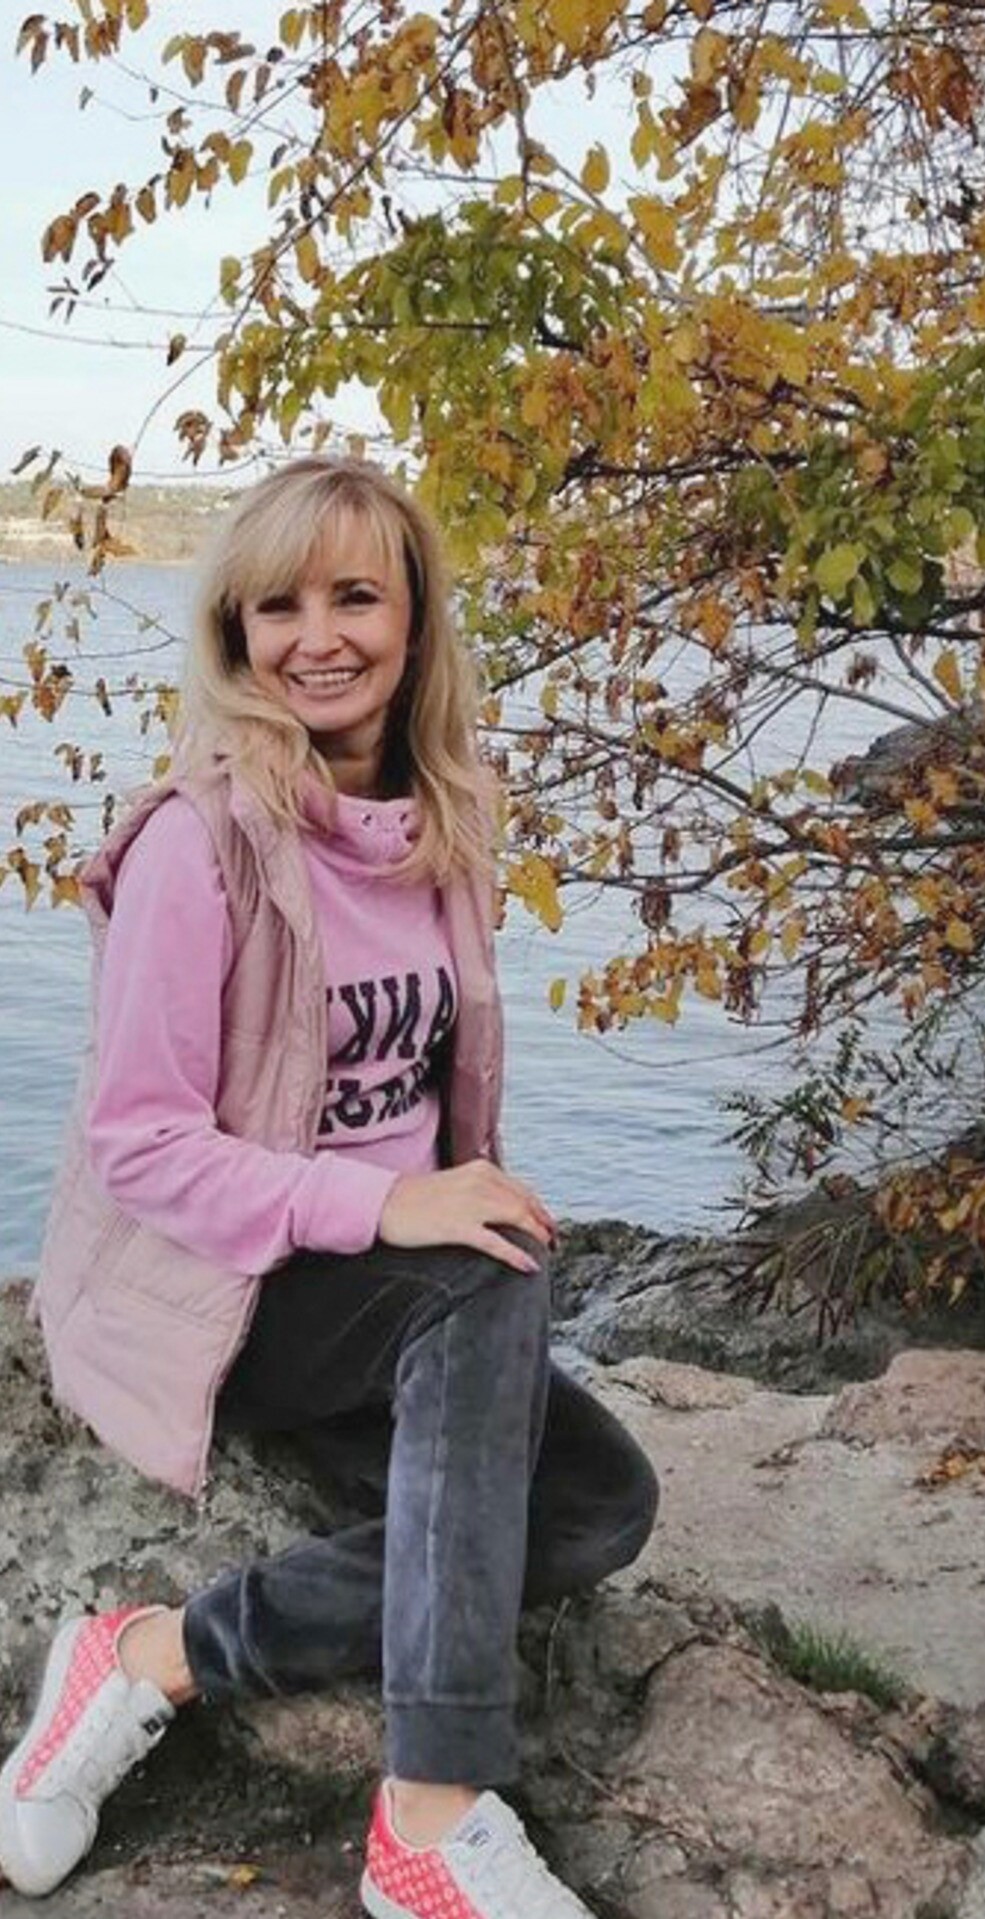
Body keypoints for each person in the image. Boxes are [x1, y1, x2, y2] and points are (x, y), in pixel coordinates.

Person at [0, 456, 659, 1919]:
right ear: (236, 634)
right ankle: (432, 1809)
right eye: (277, 607)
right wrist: (388, 1209)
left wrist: (438, 1202)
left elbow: (426, 1112)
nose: (318, 638)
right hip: (223, 1293)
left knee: (597, 1504)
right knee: (482, 1269)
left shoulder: (439, 826)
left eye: (354, 597)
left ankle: (154, 1656)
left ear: (413, 621)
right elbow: (142, 1143)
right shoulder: (201, 842)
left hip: (383, 1304)